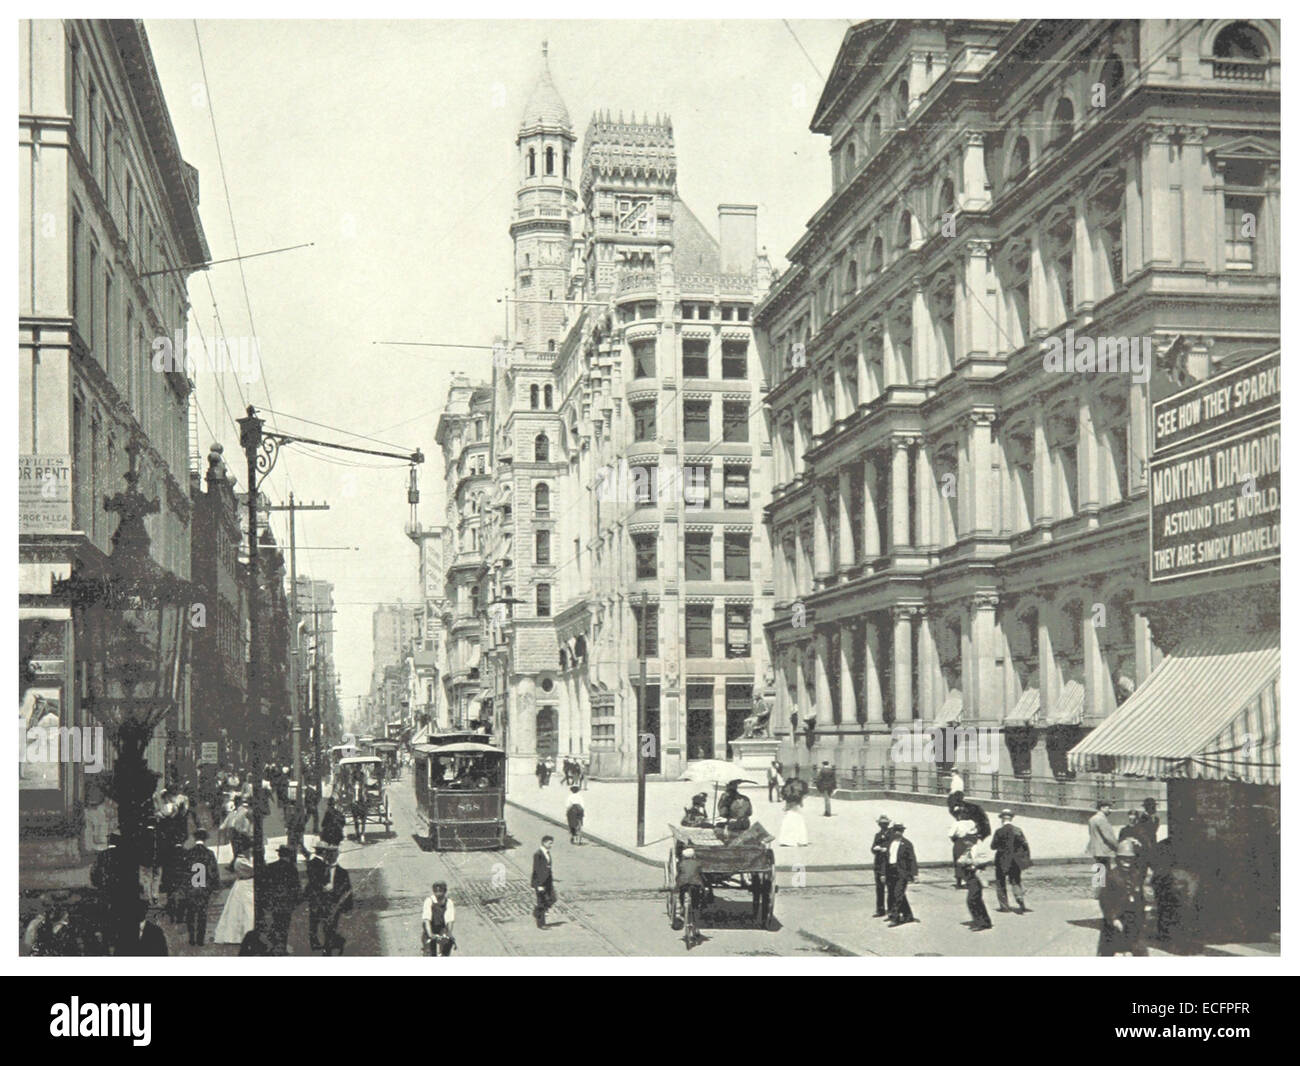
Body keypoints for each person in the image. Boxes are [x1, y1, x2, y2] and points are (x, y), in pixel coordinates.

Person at [1097, 838, 1146, 956]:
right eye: (1124, 859)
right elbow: (1104, 900)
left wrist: (1142, 914)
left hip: (1133, 919)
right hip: (1116, 919)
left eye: (1130, 859)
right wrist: (1113, 918)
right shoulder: (1112, 876)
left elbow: (1140, 897)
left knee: (1139, 949)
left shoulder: (1136, 874)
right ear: (1118, 859)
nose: (1127, 863)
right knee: (1109, 950)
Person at [306, 844, 353, 955]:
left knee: (330, 928)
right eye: (329, 854)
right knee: (326, 928)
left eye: (333, 854)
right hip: (321, 902)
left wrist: (347, 907)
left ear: (337, 856)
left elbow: (348, 889)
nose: (331, 857)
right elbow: (312, 883)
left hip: (334, 904)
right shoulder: (319, 868)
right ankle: (333, 945)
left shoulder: (342, 872)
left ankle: (328, 951)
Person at [180, 829, 220, 946]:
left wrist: (184, 887)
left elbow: (185, 872)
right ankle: (200, 939)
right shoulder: (209, 853)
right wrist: (215, 887)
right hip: (204, 888)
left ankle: (191, 937)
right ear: (205, 839)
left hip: (192, 888)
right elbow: (213, 872)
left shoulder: (188, 853)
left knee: (191, 914)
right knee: (202, 914)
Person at [990, 810, 1031, 913]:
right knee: (1015, 881)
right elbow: (1024, 845)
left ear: (1002, 819)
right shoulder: (1018, 830)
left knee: (1000, 883)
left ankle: (1004, 906)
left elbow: (993, 846)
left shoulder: (999, 831)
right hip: (1015, 860)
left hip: (1001, 860)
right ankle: (1019, 897)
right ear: (1011, 819)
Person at [264, 844, 302, 952]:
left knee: (276, 921)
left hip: (275, 900)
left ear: (279, 854)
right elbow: (296, 886)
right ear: (289, 855)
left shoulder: (271, 866)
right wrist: (297, 900)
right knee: (285, 925)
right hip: (286, 901)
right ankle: (282, 946)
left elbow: (266, 884)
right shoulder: (292, 868)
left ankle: (274, 943)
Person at [213, 854, 256, 945]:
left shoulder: (243, 859)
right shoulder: (241, 861)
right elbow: (253, 869)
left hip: (246, 884)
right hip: (245, 885)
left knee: (241, 910)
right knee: (246, 910)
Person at [959, 832, 995, 931]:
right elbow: (960, 860)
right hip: (970, 877)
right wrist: (963, 861)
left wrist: (974, 862)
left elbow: (989, 858)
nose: (965, 843)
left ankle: (981, 923)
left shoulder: (980, 848)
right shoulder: (967, 850)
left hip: (978, 876)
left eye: (966, 840)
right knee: (977, 900)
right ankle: (984, 922)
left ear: (971, 840)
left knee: (972, 900)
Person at [886, 823, 918, 926]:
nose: (897, 832)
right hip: (891, 871)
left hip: (902, 872)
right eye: (895, 830)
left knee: (898, 894)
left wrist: (914, 874)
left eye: (899, 830)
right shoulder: (890, 843)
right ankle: (908, 915)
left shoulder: (907, 844)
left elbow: (912, 859)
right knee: (896, 894)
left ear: (902, 832)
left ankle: (895, 918)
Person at [675, 846, 707, 946]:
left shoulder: (681, 864)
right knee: (696, 903)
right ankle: (696, 916)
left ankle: (681, 907)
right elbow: (701, 875)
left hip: (683, 884)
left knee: (681, 894)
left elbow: (679, 875)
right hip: (695, 885)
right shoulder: (697, 863)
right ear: (693, 856)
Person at [421, 881, 456, 956]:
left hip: (442, 928)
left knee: (447, 945)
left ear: (445, 891)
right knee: (429, 951)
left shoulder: (448, 902)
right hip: (430, 928)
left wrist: (449, 933)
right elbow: (427, 919)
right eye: (436, 891)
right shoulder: (429, 901)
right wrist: (430, 934)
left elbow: (449, 919)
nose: (438, 893)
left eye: (440, 891)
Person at [777, 776, 809, 847]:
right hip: (796, 808)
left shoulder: (787, 788)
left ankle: (787, 840)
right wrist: (800, 801)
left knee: (788, 822)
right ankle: (800, 840)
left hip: (791, 808)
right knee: (799, 822)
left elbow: (788, 798)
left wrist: (787, 806)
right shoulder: (799, 788)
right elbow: (800, 800)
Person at [531, 835, 556, 929]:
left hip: (548, 882)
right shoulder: (538, 854)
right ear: (544, 843)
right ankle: (541, 924)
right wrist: (539, 885)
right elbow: (536, 870)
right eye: (550, 843)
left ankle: (537, 913)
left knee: (552, 899)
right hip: (540, 882)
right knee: (541, 902)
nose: (551, 845)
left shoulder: (547, 853)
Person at [870, 815, 892, 917]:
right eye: (881, 824)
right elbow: (872, 848)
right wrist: (876, 849)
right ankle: (880, 909)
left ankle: (891, 909)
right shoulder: (877, 835)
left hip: (888, 863)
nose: (883, 825)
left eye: (885, 824)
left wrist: (884, 848)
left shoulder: (891, 834)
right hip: (878, 863)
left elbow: (892, 847)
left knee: (890, 887)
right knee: (879, 888)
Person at [1087, 800, 1120, 869]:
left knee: (1099, 873)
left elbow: (1091, 833)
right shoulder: (1102, 819)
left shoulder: (1092, 819)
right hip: (1104, 851)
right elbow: (1108, 837)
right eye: (1109, 808)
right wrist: (1117, 846)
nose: (1110, 810)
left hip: (1096, 850)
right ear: (1102, 808)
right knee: (1105, 873)